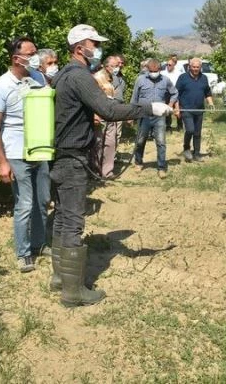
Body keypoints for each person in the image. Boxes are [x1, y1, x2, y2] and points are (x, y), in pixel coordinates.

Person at [50, 24, 173, 306]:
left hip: (60, 156)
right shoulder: (80, 76)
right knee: (73, 221)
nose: (98, 48)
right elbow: (107, 110)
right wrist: (149, 108)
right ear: (80, 47)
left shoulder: (62, 75)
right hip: (72, 158)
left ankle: (60, 277)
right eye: (95, 43)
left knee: (61, 216)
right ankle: (73, 292)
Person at [0, 37, 50, 273]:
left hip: (40, 149)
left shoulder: (38, 78)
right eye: (31, 53)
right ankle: (23, 253)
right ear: (16, 58)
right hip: (16, 151)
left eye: (36, 51)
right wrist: (2, 162)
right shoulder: (0, 86)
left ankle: (39, 244)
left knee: (42, 200)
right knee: (24, 203)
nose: (35, 57)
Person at [131, 58, 178, 178]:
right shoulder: (140, 80)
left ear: (159, 69)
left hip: (159, 116)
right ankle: (138, 162)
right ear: (147, 69)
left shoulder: (165, 80)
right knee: (140, 140)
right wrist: (131, 115)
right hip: (143, 114)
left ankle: (161, 167)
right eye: (151, 70)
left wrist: (170, 105)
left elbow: (174, 93)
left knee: (161, 142)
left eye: (155, 70)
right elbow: (134, 98)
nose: (153, 72)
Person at [176, 57, 214, 162]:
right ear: (189, 67)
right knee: (190, 130)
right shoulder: (182, 78)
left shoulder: (204, 78)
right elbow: (176, 94)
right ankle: (186, 148)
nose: (195, 69)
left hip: (199, 110)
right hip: (186, 109)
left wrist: (210, 103)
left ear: (200, 67)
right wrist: (177, 108)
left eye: (198, 67)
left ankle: (197, 154)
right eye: (193, 67)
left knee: (197, 133)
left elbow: (207, 92)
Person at [91, 56, 120, 178]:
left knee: (110, 142)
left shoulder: (112, 78)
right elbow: (91, 97)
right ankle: (96, 171)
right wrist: (94, 114)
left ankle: (107, 171)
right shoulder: (96, 78)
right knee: (98, 143)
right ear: (106, 66)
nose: (116, 68)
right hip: (99, 114)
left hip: (110, 114)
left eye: (117, 65)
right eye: (113, 65)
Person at [162, 54, 183, 132]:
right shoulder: (163, 73)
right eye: (167, 64)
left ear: (174, 65)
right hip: (166, 94)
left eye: (170, 65)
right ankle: (168, 126)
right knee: (167, 109)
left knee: (178, 109)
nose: (168, 66)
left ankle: (180, 125)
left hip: (177, 93)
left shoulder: (179, 73)